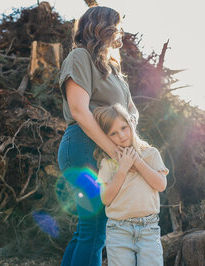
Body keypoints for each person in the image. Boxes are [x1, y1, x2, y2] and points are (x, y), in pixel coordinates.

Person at [57, 6, 139, 266]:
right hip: (82, 146)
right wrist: (116, 152)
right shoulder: (80, 57)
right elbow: (79, 111)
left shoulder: (114, 70)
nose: (120, 32)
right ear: (102, 26)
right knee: (94, 232)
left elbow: (132, 111)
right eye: (117, 25)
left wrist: (128, 138)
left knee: (87, 230)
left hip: (103, 153)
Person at [93, 104, 169, 266]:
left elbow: (161, 185)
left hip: (149, 228)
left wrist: (137, 161)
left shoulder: (151, 154)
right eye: (113, 133)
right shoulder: (107, 163)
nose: (121, 135)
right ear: (106, 137)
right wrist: (122, 168)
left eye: (124, 128)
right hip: (119, 230)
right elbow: (106, 199)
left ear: (130, 124)